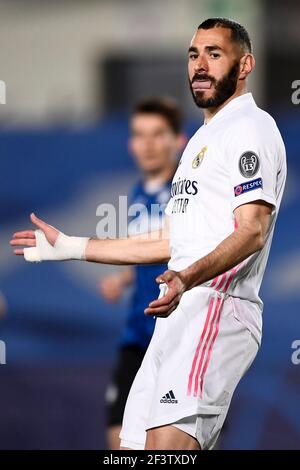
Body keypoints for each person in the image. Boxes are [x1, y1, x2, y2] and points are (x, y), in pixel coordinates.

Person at [10, 18, 287, 450]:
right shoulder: (200, 141)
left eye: (215, 54)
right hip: (176, 316)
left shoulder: (251, 128)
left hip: (215, 308)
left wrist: (186, 277)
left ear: (245, 63)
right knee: (129, 451)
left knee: (164, 451)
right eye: (194, 55)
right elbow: (170, 239)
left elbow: (252, 231)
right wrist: (70, 247)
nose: (200, 65)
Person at [99, 98, 184, 449]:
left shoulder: (189, 191)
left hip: (179, 338)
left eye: (157, 134)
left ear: (178, 140)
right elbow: (150, 253)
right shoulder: (137, 193)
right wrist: (124, 279)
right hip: (137, 336)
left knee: (179, 446)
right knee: (118, 440)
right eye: (139, 135)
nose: (147, 145)